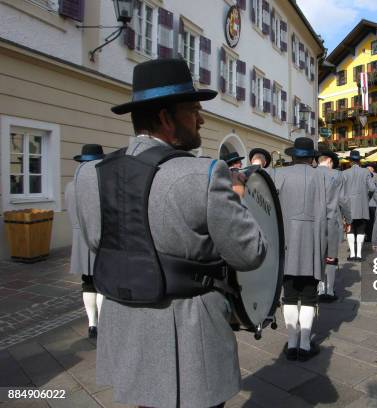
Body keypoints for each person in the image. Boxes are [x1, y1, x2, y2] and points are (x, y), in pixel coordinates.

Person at [74, 59, 267, 408]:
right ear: (165, 117)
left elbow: (96, 242)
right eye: (194, 109)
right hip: (190, 333)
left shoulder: (90, 175)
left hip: (124, 325)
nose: (201, 118)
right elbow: (250, 253)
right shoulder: (205, 174)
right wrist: (239, 201)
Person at [271, 137, 329, 361]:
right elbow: (327, 214)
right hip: (312, 243)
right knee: (309, 295)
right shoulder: (321, 177)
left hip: (286, 242)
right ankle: (304, 345)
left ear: (293, 155)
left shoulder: (278, 174)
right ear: (311, 157)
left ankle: (293, 341)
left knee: (289, 295)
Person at [65, 144, 105, 339]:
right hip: (100, 238)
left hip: (80, 239)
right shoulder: (101, 186)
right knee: (101, 283)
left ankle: (92, 324)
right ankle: (102, 323)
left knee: (87, 283)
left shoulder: (70, 186)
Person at [316, 150, 351, 301]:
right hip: (332, 220)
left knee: (317, 255)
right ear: (329, 161)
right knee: (331, 256)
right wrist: (349, 219)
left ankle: (319, 288)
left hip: (313, 222)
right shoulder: (337, 175)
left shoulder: (311, 173)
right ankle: (329, 290)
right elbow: (343, 200)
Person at [343, 150, 376, 262]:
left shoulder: (344, 173)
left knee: (350, 229)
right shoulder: (366, 172)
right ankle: (359, 255)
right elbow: (372, 188)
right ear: (359, 160)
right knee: (361, 229)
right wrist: (366, 199)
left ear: (350, 161)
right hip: (362, 205)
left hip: (348, 206)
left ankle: (352, 254)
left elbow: (341, 191)